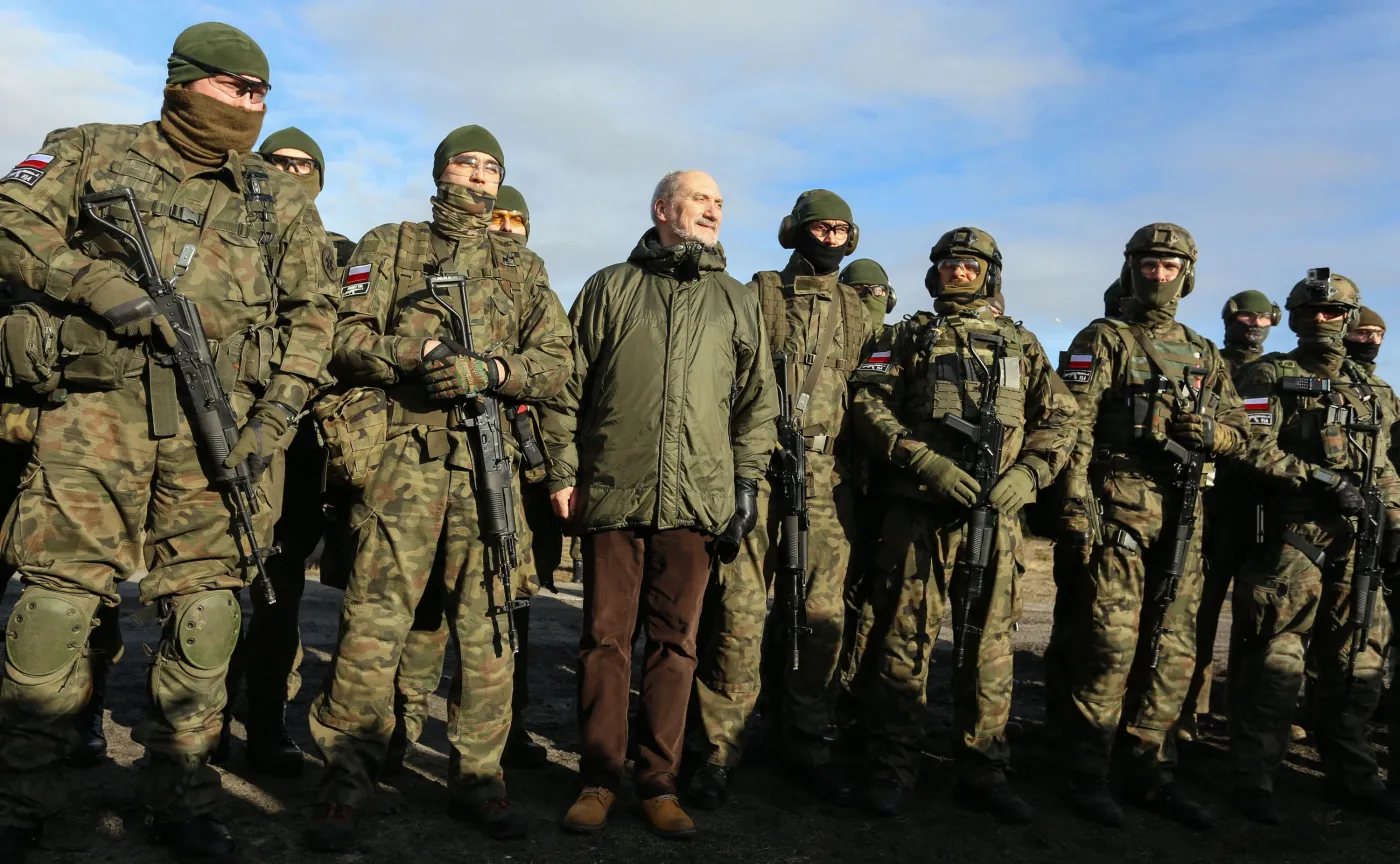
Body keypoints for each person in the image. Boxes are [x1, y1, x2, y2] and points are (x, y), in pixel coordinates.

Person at [0, 22, 337, 859]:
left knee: (207, 615)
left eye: (261, 94)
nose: (250, 105)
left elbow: (316, 319)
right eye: (235, 87)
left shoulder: (280, 198)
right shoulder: (89, 149)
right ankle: (21, 799)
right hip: (94, 416)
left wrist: (274, 417)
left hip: (215, 433)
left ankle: (180, 796)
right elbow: (9, 217)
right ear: (184, 80)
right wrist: (92, 281)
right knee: (53, 608)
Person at [305, 126, 572, 849]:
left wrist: (495, 372)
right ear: (440, 171)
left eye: (491, 167)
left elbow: (557, 362)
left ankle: (479, 780)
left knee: (489, 631)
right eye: (466, 162)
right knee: (372, 626)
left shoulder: (524, 268)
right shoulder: (389, 245)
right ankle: (345, 782)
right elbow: (342, 339)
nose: (479, 176)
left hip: (489, 470)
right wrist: (414, 353)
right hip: (403, 467)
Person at [545, 169, 778, 838]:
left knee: (676, 646)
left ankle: (658, 784)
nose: (713, 210)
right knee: (604, 640)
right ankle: (598, 779)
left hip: (696, 499)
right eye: (699, 199)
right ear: (662, 209)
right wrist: (562, 470)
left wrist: (744, 484)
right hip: (614, 492)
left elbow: (757, 402)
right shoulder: (609, 287)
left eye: (719, 203)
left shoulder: (736, 299)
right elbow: (566, 387)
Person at [852, 227, 1075, 821]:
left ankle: (984, 769)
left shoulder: (1022, 344)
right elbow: (868, 403)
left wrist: (1029, 474)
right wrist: (920, 460)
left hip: (995, 517)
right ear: (934, 273)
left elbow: (1061, 419)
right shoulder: (905, 336)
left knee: (989, 645)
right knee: (903, 638)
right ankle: (893, 765)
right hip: (918, 512)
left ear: (989, 274)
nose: (959, 272)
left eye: (971, 265)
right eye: (949, 264)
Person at [1058, 223, 1247, 829]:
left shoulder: (1204, 352)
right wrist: (1076, 507)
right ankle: (1086, 773)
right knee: (1108, 648)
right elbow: (1072, 428)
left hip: (1184, 518)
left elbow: (1244, 432)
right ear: (1130, 269)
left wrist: (1215, 435)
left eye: (1169, 266)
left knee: (1173, 650)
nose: (1158, 275)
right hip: (1118, 513)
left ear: (1187, 274)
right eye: (1148, 264)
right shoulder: (1104, 338)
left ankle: (1150, 772)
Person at [688, 190, 871, 809]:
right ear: (796, 232)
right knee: (737, 616)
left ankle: (808, 746)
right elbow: (722, 377)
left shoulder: (858, 311)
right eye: (820, 228)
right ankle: (719, 750)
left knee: (819, 619)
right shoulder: (759, 293)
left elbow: (873, 400)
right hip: (756, 471)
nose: (830, 238)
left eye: (841, 229)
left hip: (825, 483)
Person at [384, 183, 553, 774]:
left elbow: (560, 376)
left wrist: (498, 372)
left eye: (514, 219)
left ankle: (491, 754)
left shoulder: (530, 282)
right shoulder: (407, 255)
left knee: (498, 619)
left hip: (502, 469)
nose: (503, 227)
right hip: (419, 471)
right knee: (411, 617)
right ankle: (393, 733)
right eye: (495, 216)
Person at [209, 126, 358, 777]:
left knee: (280, 586)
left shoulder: (344, 253)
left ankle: (266, 720)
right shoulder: (219, 238)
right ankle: (202, 717)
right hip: (223, 426)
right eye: (276, 162)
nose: (289, 174)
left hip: (301, 444)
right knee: (211, 575)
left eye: (303, 166)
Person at [1229, 277, 1400, 825]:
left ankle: (1353, 775)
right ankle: (1253, 777)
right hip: (1292, 536)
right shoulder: (1268, 375)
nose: (1322, 319)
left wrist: (1395, 519)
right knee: (1275, 659)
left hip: (1359, 539)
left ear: (1349, 317)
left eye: (1333, 310)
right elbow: (1247, 444)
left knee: (1358, 659)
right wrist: (1321, 479)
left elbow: (1384, 463)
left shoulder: (1372, 388)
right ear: (1295, 316)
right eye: (1312, 310)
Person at [1179, 290, 1280, 740]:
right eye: (1246, 317)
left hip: (1260, 507)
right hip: (1212, 506)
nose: (1254, 325)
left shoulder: (1279, 372)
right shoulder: (1208, 364)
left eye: (1262, 318)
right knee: (1198, 612)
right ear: (1230, 319)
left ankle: (1242, 711)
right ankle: (1189, 707)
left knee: (1257, 616)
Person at [1042, 279, 1133, 744]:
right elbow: (1074, 428)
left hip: (1132, 507)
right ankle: (1064, 722)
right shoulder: (1096, 343)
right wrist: (1075, 503)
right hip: (1093, 504)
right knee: (1082, 615)